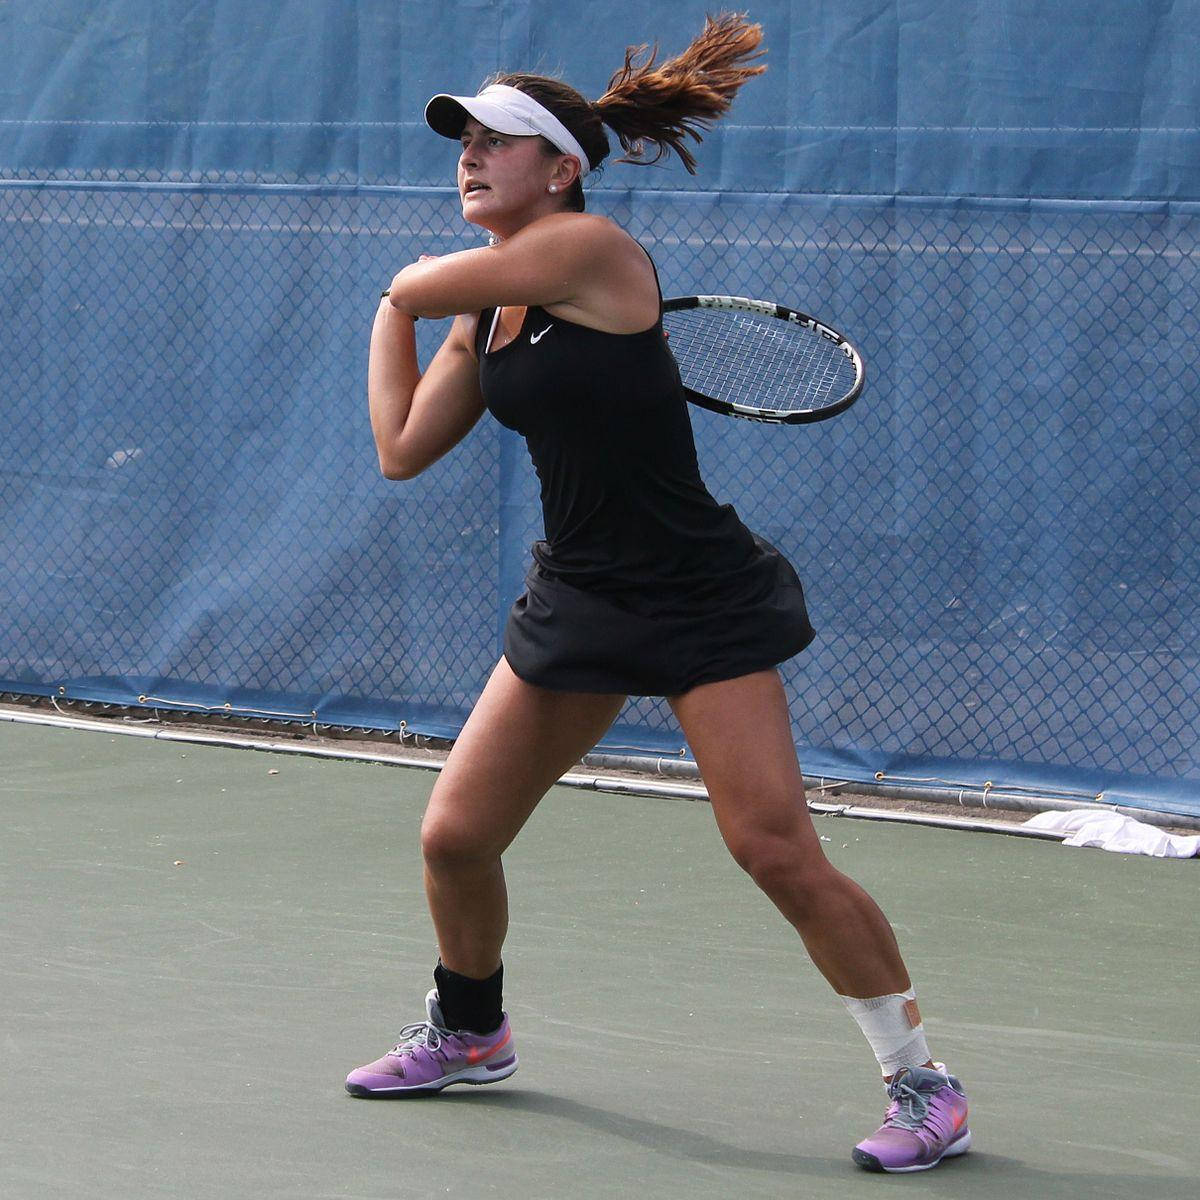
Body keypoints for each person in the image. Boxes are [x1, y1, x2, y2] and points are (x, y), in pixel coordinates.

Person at [348, 13, 971, 1175]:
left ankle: (923, 1083)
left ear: (562, 169)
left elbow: (414, 282)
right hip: (582, 592)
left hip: (695, 597)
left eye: (496, 142)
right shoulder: (484, 303)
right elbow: (400, 447)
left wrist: (406, 292)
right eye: (462, 142)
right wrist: (400, 314)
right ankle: (472, 1033)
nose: (469, 157)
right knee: (455, 838)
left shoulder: (587, 252)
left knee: (774, 846)